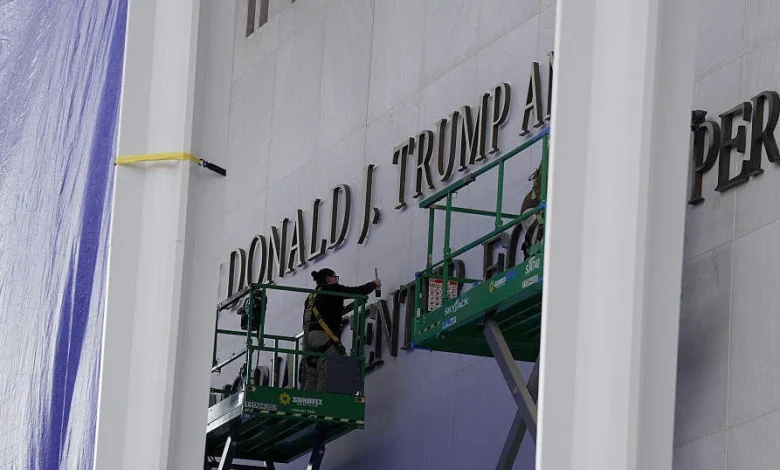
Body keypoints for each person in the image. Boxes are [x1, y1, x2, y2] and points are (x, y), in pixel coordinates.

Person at [301, 268, 380, 392]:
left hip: (308, 339)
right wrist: (374, 284)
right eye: (335, 277)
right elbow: (357, 291)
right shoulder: (332, 289)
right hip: (322, 337)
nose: (336, 280)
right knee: (325, 370)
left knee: (312, 374)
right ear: (329, 278)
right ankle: (321, 404)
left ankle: (306, 406)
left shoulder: (311, 297)